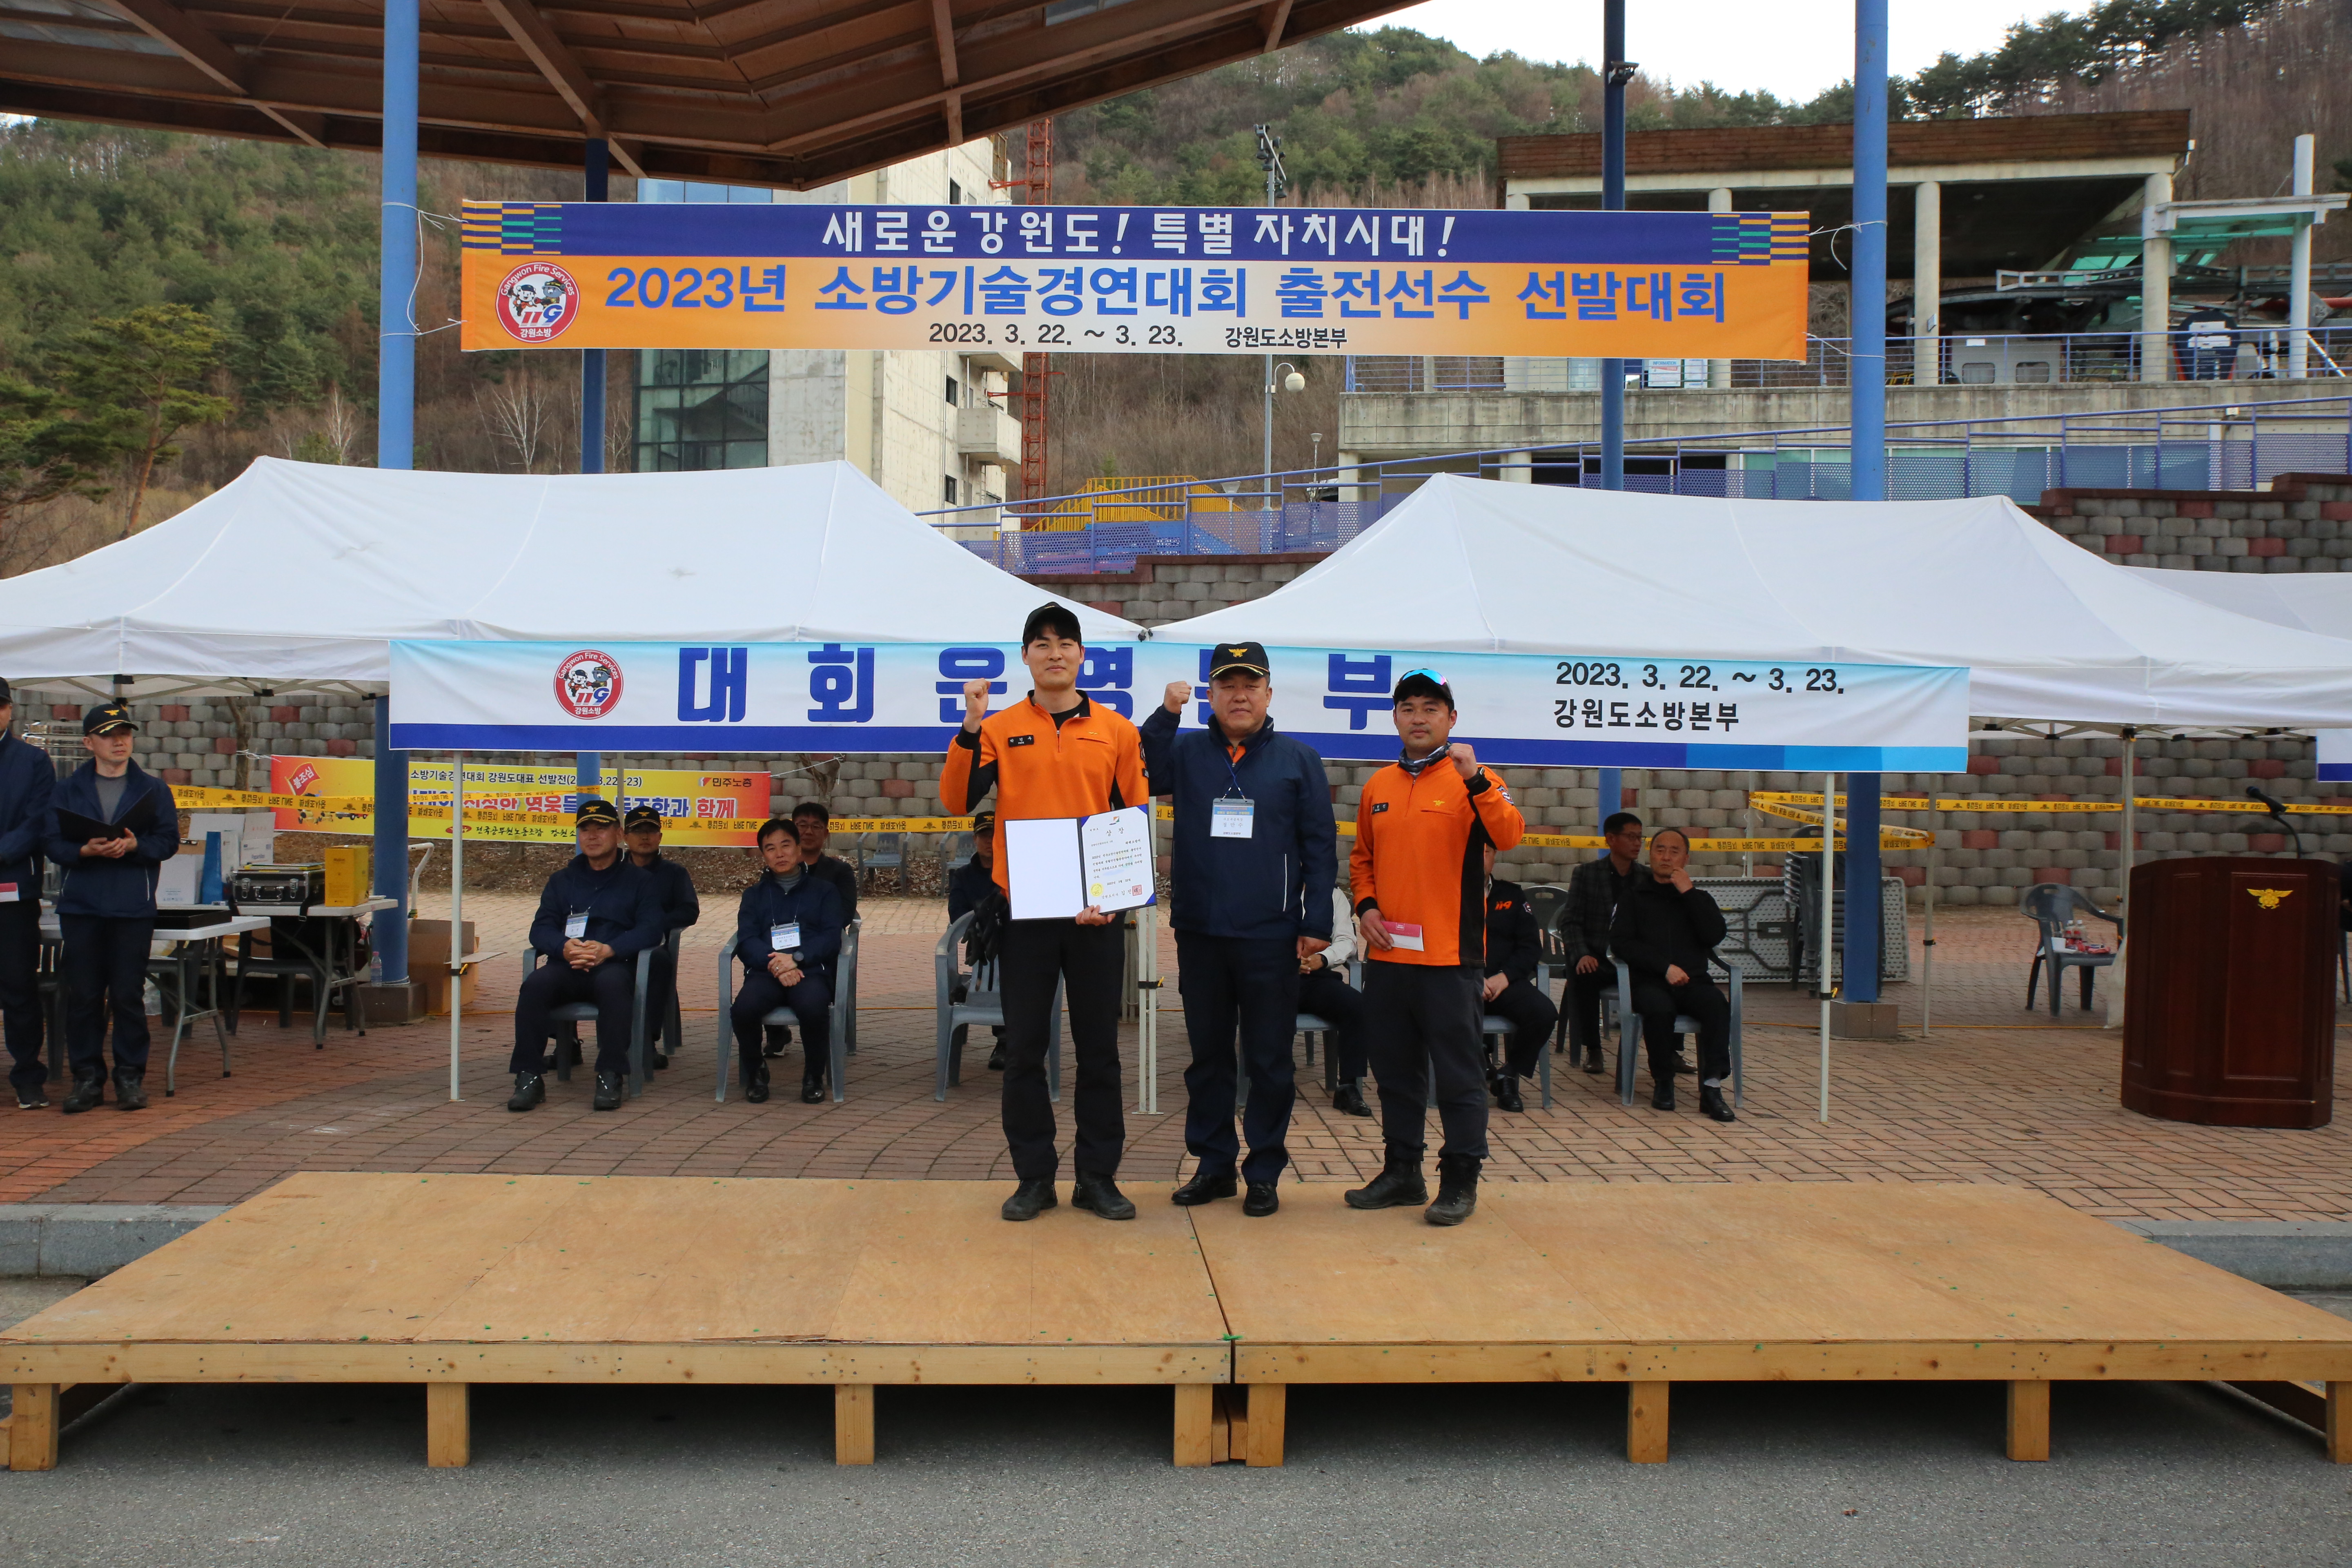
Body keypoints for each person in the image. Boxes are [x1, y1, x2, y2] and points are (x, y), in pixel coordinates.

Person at [942, 601, 1149, 1223]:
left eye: (1065, 643)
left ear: (1082, 656)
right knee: (1025, 1050)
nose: (1054, 653)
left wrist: (1113, 901)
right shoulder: (1001, 728)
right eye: (1042, 644)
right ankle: (1034, 1178)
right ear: (1026, 657)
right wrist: (971, 724)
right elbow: (957, 799)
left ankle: (1097, 1178)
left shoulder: (1117, 731)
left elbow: (1131, 823)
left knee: (1099, 1052)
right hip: (1025, 914)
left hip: (1095, 918)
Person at [1141, 641, 1338, 1217]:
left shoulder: (1298, 760)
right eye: (1227, 685)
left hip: (1270, 935)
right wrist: (1166, 715)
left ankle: (1265, 1171)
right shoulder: (1187, 752)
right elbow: (1143, 770)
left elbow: (1320, 847)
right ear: (1212, 695)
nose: (1240, 696)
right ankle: (1213, 1166)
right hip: (1201, 931)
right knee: (1208, 1058)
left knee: (1270, 1060)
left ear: (1269, 693)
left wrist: (1317, 922)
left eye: (1251, 685)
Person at [1343, 669, 1524, 1226]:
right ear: (1395, 718)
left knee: (1459, 1077)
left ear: (1451, 718)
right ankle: (1403, 1173)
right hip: (1389, 959)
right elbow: (1362, 860)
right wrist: (1366, 907)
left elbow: (1510, 834)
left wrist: (1477, 781)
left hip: (1451, 960)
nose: (1418, 718)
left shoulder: (1477, 780)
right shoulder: (1378, 786)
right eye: (1408, 708)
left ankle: (1461, 1179)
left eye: (1430, 708)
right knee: (1395, 1075)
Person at [45, 703, 178, 1114]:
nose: (119, 742)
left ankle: (129, 1077)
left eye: (125, 733)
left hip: (132, 905)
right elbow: (51, 842)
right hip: (82, 905)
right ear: (89, 743)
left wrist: (136, 845)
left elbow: (168, 841)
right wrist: (84, 850)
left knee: (127, 994)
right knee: (84, 995)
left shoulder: (153, 789)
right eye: (108, 735)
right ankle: (87, 1078)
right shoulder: (68, 789)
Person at [508, 798, 664, 1114]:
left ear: (618, 834)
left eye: (601, 829)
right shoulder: (562, 881)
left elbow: (651, 930)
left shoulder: (641, 881)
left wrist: (610, 949)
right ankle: (528, 1077)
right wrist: (563, 948)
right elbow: (541, 928)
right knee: (535, 985)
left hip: (613, 965)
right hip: (567, 965)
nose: (592, 836)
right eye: (585, 830)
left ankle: (610, 1074)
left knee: (614, 987)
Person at [1610, 826, 1736, 1123]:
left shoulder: (1698, 898)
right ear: (1650, 855)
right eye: (1660, 850)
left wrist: (1688, 893)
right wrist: (1664, 968)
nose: (1666, 857)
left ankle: (1712, 1087)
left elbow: (1714, 935)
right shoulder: (1633, 897)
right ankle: (1664, 1082)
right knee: (1659, 1009)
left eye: (1674, 852)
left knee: (1716, 1005)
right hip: (1650, 981)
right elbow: (1622, 943)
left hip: (1694, 982)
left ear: (1686, 859)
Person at [730, 817, 844, 1104]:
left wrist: (797, 959)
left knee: (814, 1008)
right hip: (766, 972)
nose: (779, 854)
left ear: (799, 849)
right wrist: (777, 965)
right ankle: (756, 1072)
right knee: (743, 1010)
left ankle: (813, 1076)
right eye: (770, 848)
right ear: (763, 855)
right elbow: (747, 939)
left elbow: (831, 937)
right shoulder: (754, 895)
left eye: (786, 845)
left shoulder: (824, 892)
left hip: (810, 971)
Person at [767, 801, 859, 1060]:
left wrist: (806, 942)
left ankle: (818, 1045)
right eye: (802, 826)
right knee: (766, 962)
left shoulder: (839, 872)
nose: (808, 832)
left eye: (816, 827)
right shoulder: (776, 869)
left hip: (822, 947)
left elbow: (843, 914)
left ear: (826, 833)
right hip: (782, 946)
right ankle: (777, 1033)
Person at [0, 679, 54, 1110]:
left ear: (10, 711)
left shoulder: (34, 761)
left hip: (13, 892)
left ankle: (28, 1076)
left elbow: (38, 821)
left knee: (18, 984)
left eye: (0, 706)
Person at [1562, 811, 1649, 1078]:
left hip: (1634, 959)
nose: (1637, 843)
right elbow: (1571, 922)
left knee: (1665, 981)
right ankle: (1593, 1049)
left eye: (1640, 838)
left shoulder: (1647, 877)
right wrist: (1582, 954)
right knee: (1584, 976)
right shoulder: (1587, 874)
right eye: (1631, 837)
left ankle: (1670, 1051)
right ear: (1611, 839)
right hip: (1597, 955)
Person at [1480, 844, 1558, 1114]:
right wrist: (1472, 978)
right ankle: (1477, 1062)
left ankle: (1508, 1076)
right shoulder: (1446, 894)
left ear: (1495, 856)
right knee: (1443, 1010)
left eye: (1486, 852)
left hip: (1505, 983)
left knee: (1544, 1013)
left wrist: (1505, 977)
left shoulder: (1511, 894)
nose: (1480, 858)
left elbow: (1530, 948)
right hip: (1462, 982)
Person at [623, 804, 699, 1070]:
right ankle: (568, 1043)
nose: (645, 837)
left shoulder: (674, 874)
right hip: (614, 944)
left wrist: (652, 924)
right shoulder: (614, 872)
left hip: (652, 945)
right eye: (638, 831)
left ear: (660, 837)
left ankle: (647, 1042)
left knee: (658, 963)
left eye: (650, 831)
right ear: (625, 836)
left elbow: (689, 911)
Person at [1297, 880, 1371, 1117]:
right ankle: (1268, 1080)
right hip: (1275, 975)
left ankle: (1348, 1087)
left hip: (1316, 976)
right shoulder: (1268, 885)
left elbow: (1347, 940)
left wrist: (1323, 958)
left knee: (1355, 1005)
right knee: (1262, 1004)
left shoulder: (1333, 895)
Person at [945, 809, 1007, 1071]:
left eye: (995, 836)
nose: (989, 842)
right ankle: (974, 986)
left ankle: (1005, 1041)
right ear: (975, 839)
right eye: (984, 836)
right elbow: (958, 918)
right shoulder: (963, 876)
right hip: (980, 951)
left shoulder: (1015, 871)